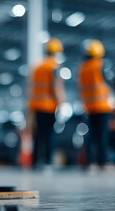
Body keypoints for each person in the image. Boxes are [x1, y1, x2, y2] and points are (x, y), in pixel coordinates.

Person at [78, 39, 115, 171]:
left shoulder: (82, 67)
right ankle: (103, 162)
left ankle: (90, 162)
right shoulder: (99, 64)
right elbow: (109, 82)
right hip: (102, 106)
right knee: (102, 136)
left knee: (91, 136)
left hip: (89, 107)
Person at [28, 38, 65, 168]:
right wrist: (61, 104)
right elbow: (56, 87)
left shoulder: (38, 67)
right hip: (49, 107)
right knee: (49, 135)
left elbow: (32, 87)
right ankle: (48, 161)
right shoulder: (54, 67)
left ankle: (36, 161)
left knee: (38, 135)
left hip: (37, 106)